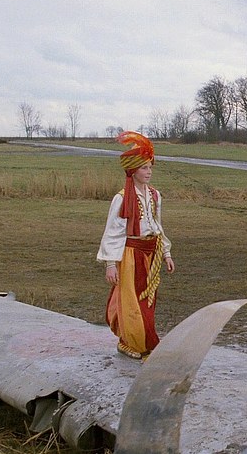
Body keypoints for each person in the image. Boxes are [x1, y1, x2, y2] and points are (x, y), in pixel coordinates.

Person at [97, 131, 175, 360]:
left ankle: (144, 340)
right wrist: (110, 264)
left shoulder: (155, 195)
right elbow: (113, 231)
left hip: (152, 254)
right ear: (132, 170)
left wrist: (166, 253)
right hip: (131, 254)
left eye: (150, 167)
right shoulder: (122, 198)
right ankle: (128, 342)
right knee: (131, 301)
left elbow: (158, 225)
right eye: (144, 168)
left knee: (147, 302)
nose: (149, 172)